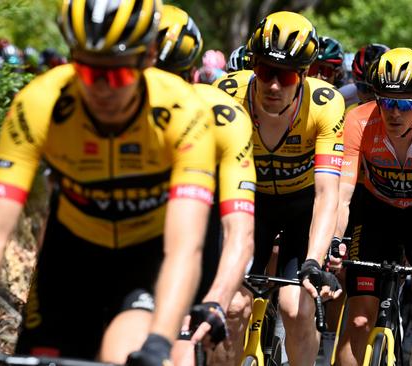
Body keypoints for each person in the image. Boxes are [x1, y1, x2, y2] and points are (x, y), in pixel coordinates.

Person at [0, 2, 238, 366]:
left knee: (123, 356)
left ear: (149, 57)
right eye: (86, 71)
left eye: (116, 75)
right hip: (69, 257)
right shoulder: (39, 103)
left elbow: (186, 247)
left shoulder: (184, 113)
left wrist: (159, 343)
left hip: (144, 259)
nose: (100, 88)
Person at [215, 11, 343, 366]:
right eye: (264, 71)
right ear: (252, 65)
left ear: (304, 74)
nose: (273, 85)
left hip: (301, 208)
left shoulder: (326, 104)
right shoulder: (227, 95)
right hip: (249, 205)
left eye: (285, 75)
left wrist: (315, 261)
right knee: (233, 304)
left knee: (296, 305)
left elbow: (326, 194)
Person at [334, 48, 412, 366]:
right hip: (376, 212)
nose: (394, 112)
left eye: (405, 104)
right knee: (360, 321)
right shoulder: (358, 120)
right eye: (386, 101)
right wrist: (335, 240)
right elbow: (341, 195)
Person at [155, 5, 256, 363]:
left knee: (230, 311)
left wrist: (216, 299)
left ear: (194, 76)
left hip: (199, 235)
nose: (159, 89)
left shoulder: (224, 118)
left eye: (172, 76)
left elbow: (238, 232)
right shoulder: (99, 107)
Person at [338, 43, 390, 108]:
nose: (369, 94)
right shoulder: (342, 97)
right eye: (363, 87)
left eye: (377, 87)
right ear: (354, 82)